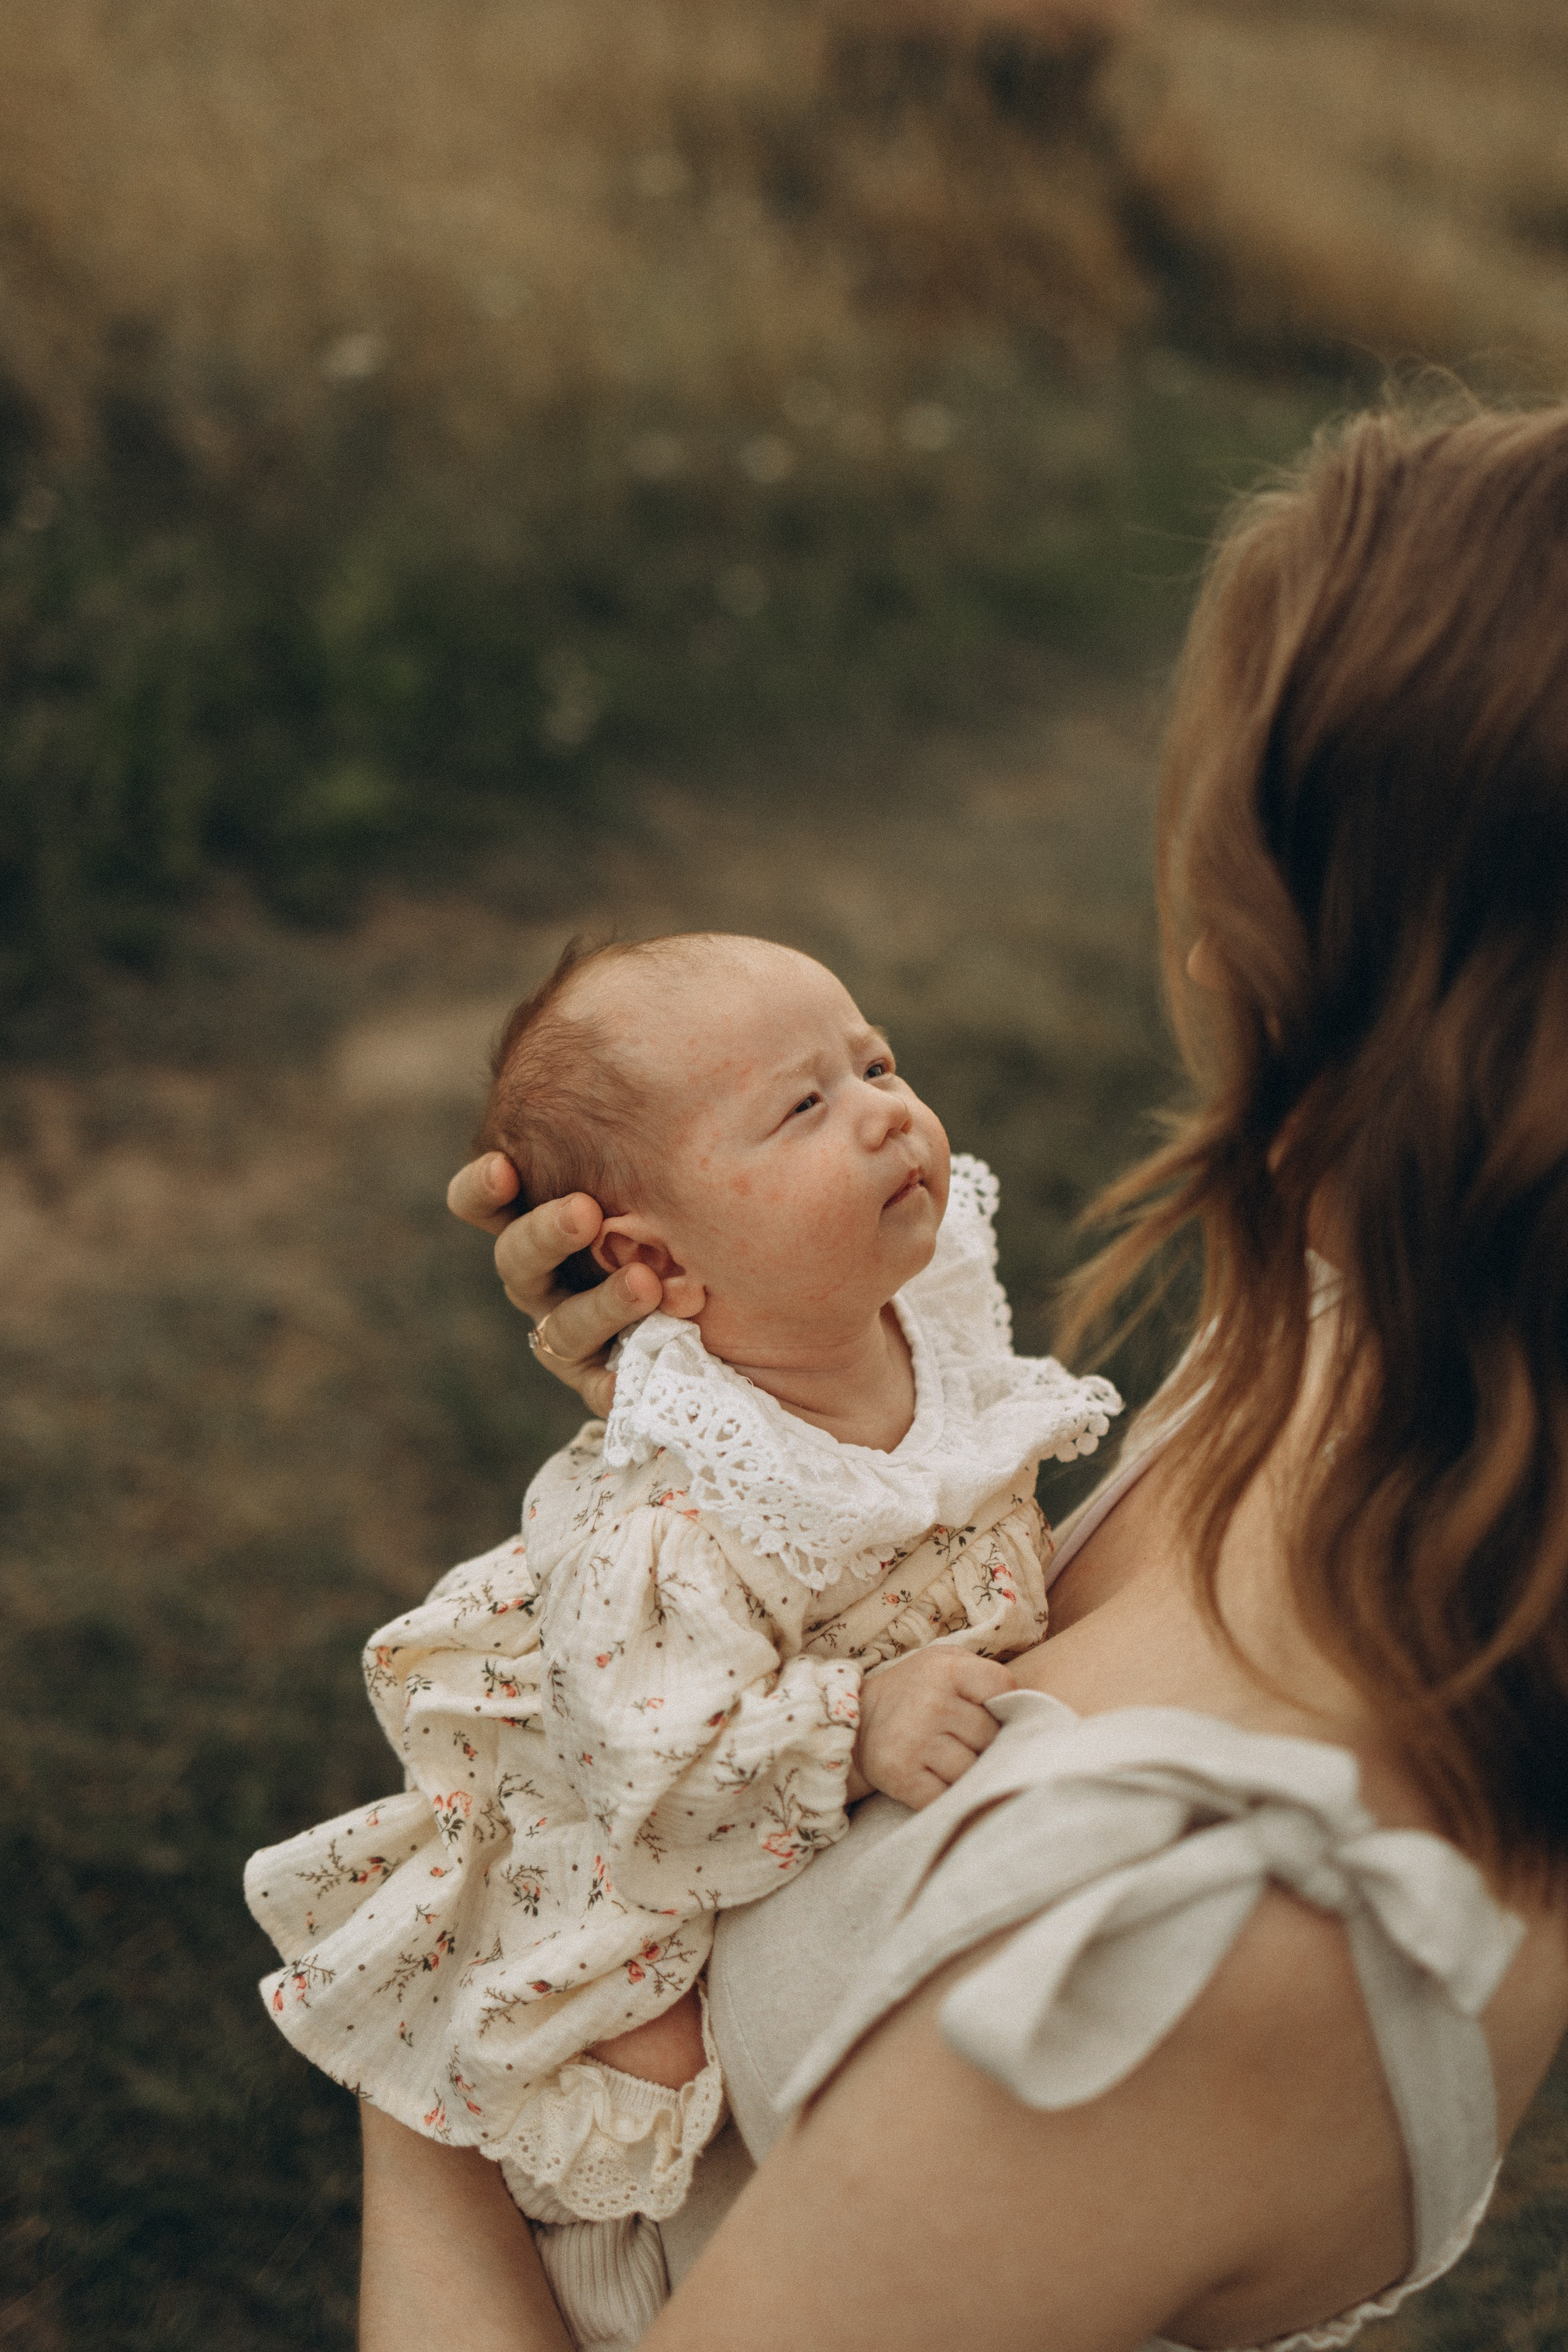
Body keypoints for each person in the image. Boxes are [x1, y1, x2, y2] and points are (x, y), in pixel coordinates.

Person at [357, 400, 1568, 2352]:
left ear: (1332, 963)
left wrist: (427, 2049)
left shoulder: (1194, 1949)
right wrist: (752, 1428)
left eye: (1226, 852)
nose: (1188, 926)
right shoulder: (1371, 1339)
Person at [246, 932, 1118, 2345]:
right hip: (636, 1853)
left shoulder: (911, 1322)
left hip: (797, 1883)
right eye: (803, 1107)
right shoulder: (674, 1514)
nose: (887, 1110)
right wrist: (857, 1722)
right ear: (657, 1261)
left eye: (875, 1063)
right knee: (635, 2109)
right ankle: (610, 2297)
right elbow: (659, 1770)